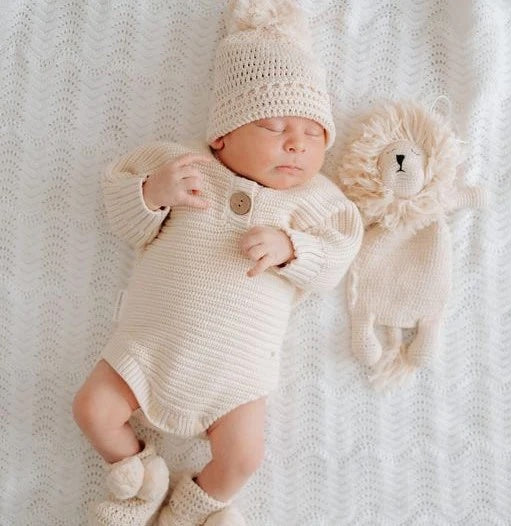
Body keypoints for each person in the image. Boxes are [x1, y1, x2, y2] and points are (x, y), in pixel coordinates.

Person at [72, 1, 363, 525]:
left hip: (236, 377)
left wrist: (293, 248)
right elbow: (121, 207)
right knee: (92, 408)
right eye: (275, 126)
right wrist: (153, 192)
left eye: (313, 133)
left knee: (244, 456)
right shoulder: (183, 166)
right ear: (222, 133)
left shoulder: (314, 201)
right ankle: (139, 477)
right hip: (149, 349)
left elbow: (340, 252)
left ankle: (189, 509)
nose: (296, 144)